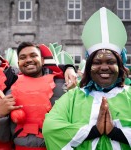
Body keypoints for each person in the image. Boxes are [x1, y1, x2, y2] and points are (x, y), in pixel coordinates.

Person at [42, 7, 131, 150]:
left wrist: (116, 133)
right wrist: (93, 131)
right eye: (97, 62)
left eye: (110, 62)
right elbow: (50, 128)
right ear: (89, 67)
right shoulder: (72, 97)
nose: (104, 67)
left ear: (120, 66)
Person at [0, 42, 77, 150]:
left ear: (43, 60)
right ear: (18, 63)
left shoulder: (64, 85)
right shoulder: (9, 89)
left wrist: (69, 67)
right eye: (23, 57)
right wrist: (0, 115)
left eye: (33, 55)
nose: (28, 60)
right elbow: (2, 137)